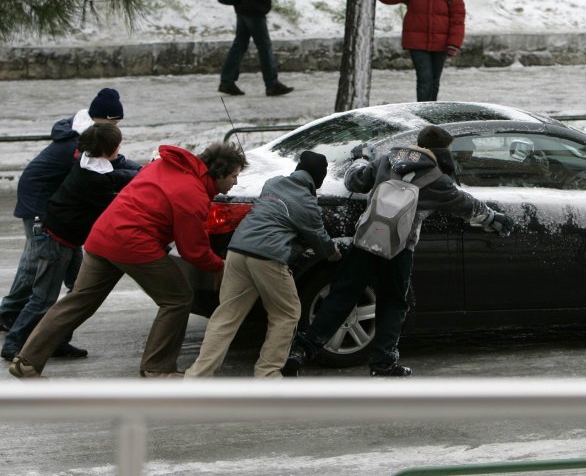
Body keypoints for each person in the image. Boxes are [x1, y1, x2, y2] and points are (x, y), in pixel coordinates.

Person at [284, 126, 513, 377]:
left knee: (342, 295)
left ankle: (301, 350)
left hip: (366, 239)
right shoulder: (438, 179)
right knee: (393, 302)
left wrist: (361, 157)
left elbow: (355, 181)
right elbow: (466, 205)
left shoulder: (388, 160)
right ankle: (383, 362)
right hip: (399, 248)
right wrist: (494, 219)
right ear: (441, 150)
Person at [8, 142, 247, 379]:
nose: (236, 182)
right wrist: (220, 266)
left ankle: (26, 361)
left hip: (102, 236)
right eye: (234, 176)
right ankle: (157, 368)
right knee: (178, 299)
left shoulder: (164, 165)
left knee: (78, 300)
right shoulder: (192, 193)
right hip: (134, 244)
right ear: (218, 173)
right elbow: (192, 251)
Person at [0, 88, 140, 360]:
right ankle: (14, 342)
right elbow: (113, 185)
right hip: (48, 223)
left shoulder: (88, 153)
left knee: (76, 289)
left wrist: (143, 172)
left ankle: (55, 338)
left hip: (66, 235)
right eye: (114, 126)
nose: (119, 142)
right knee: (42, 289)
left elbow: (117, 169)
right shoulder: (84, 163)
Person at [185, 151, 341, 379]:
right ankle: (268, 374)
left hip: (237, 251)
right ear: (319, 177)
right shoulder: (307, 203)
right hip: (268, 257)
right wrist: (335, 255)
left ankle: (197, 376)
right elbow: (319, 239)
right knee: (287, 313)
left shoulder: (273, 182)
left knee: (226, 316)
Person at [377, 0, 466, 102]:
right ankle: (423, 112)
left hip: (441, 44)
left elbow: (458, 18)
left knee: (434, 80)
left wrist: (454, 43)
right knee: (424, 78)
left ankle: (432, 111)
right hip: (417, 42)